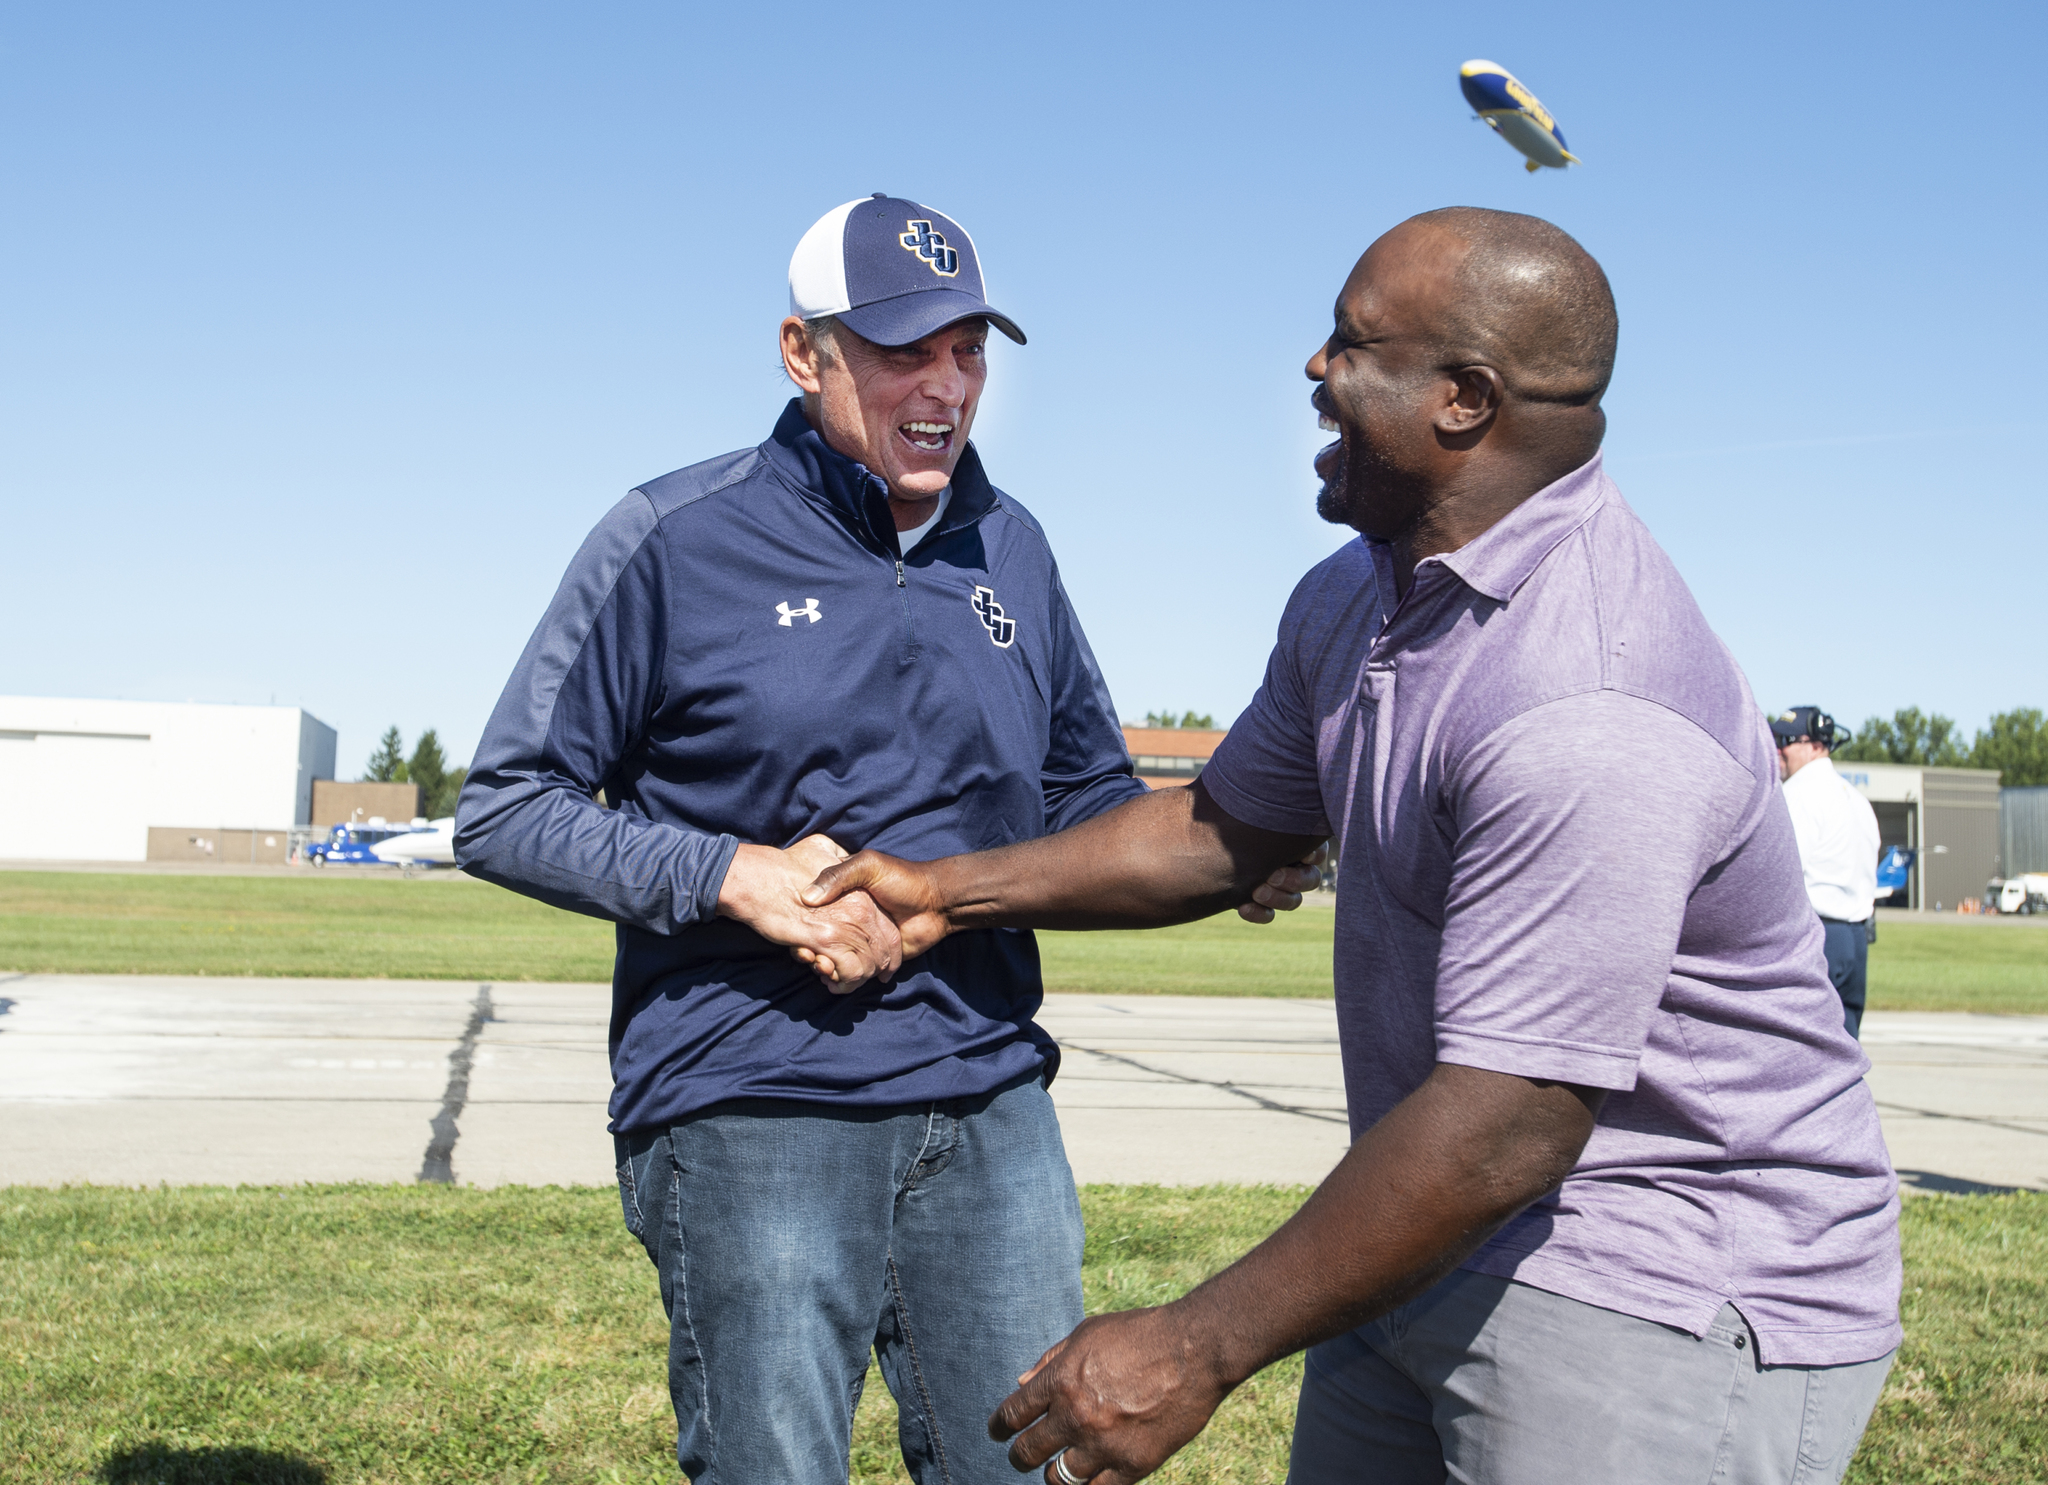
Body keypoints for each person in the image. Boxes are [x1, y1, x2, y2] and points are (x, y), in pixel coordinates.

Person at [807, 208, 1902, 1485]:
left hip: (1655, 1275)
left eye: (1348, 344)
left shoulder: (1590, 702)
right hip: (1423, 1230)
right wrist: (946, 892)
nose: (1312, 372)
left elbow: (1511, 1122)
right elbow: (1220, 832)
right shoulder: (1357, 590)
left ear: (1460, 402)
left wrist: (1195, 1345)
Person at [454, 194, 1302, 1485]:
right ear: (806, 353)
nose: (946, 386)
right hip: (753, 1104)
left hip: (988, 1093)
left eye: (969, 350)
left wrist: (1227, 845)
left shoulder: (1010, 545)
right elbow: (510, 805)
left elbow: (1083, 793)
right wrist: (728, 874)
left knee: (1035, 1469)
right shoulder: (676, 535)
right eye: (907, 349)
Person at [1772, 706, 1883, 1037]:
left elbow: (1782, 876)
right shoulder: (1857, 800)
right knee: (1845, 1044)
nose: (1778, 750)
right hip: (1855, 938)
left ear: (1815, 745)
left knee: (1798, 1049)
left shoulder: (1797, 796)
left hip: (1815, 937)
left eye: (1786, 740)